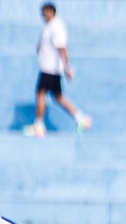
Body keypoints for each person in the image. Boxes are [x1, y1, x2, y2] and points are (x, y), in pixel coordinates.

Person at [23, 3, 91, 139]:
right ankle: (80, 118)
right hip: (49, 67)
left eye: (44, 12)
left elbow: (62, 48)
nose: (42, 16)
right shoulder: (49, 27)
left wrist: (67, 68)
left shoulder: (56, 27)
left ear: (50, 11)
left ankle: (38, 125)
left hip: (50, 68)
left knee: (40, 94)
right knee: (58, 97)